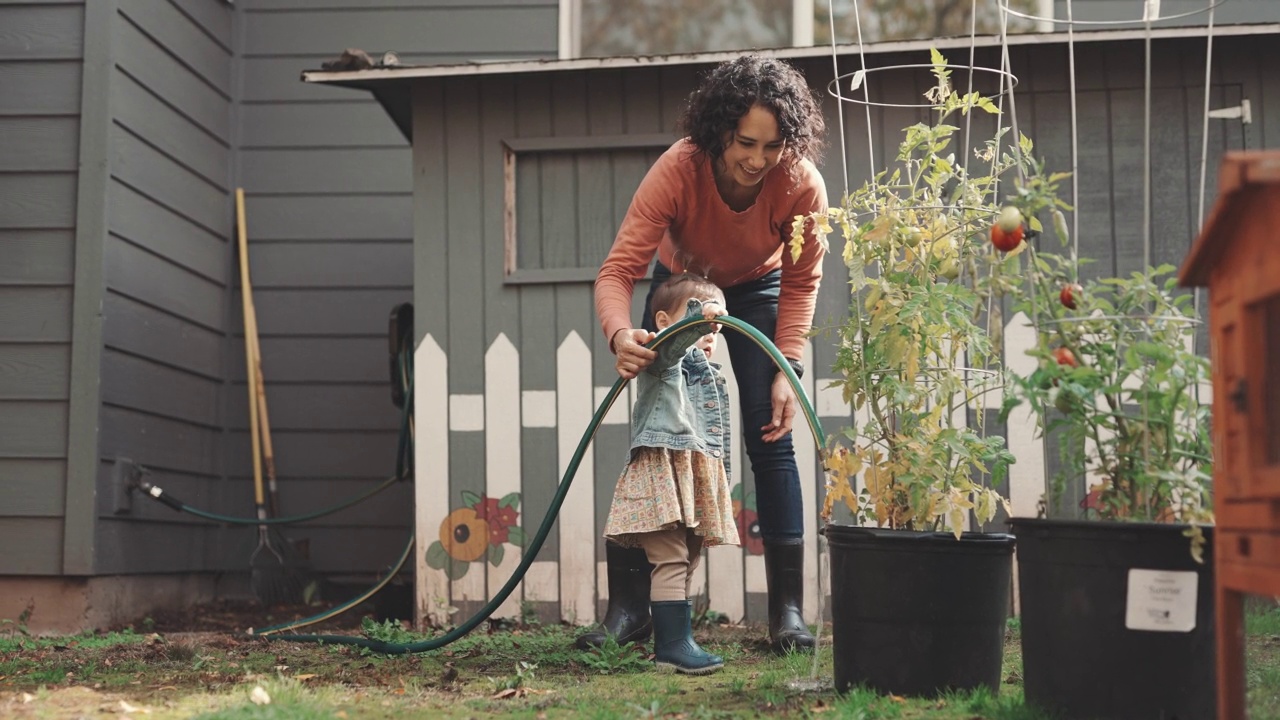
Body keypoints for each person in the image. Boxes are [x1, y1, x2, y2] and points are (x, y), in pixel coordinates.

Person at [582, 54, 828, 655]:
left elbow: (800, 282)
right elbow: (618, 272)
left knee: (770, 438)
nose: (757, 160)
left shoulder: (800, 183)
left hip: (760, 289)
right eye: (746, 142)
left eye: (772, 147)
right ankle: (629, 611)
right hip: (682, 286)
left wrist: (786, 366)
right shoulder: (678, 169)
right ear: (719, 129)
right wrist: (621, 336)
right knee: (656, 440)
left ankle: (788, 613)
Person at [602, 273, 738, 675]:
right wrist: (698, 319)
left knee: (688, 558)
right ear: (664, 321)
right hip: (662, 474)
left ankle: (676, 640)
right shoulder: (660, 360)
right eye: (702, 321)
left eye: (719, 324)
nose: (712, 331)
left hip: (691, 477)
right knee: (671, 559)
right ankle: (672, 646)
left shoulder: (710, 375)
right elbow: (675, 347)